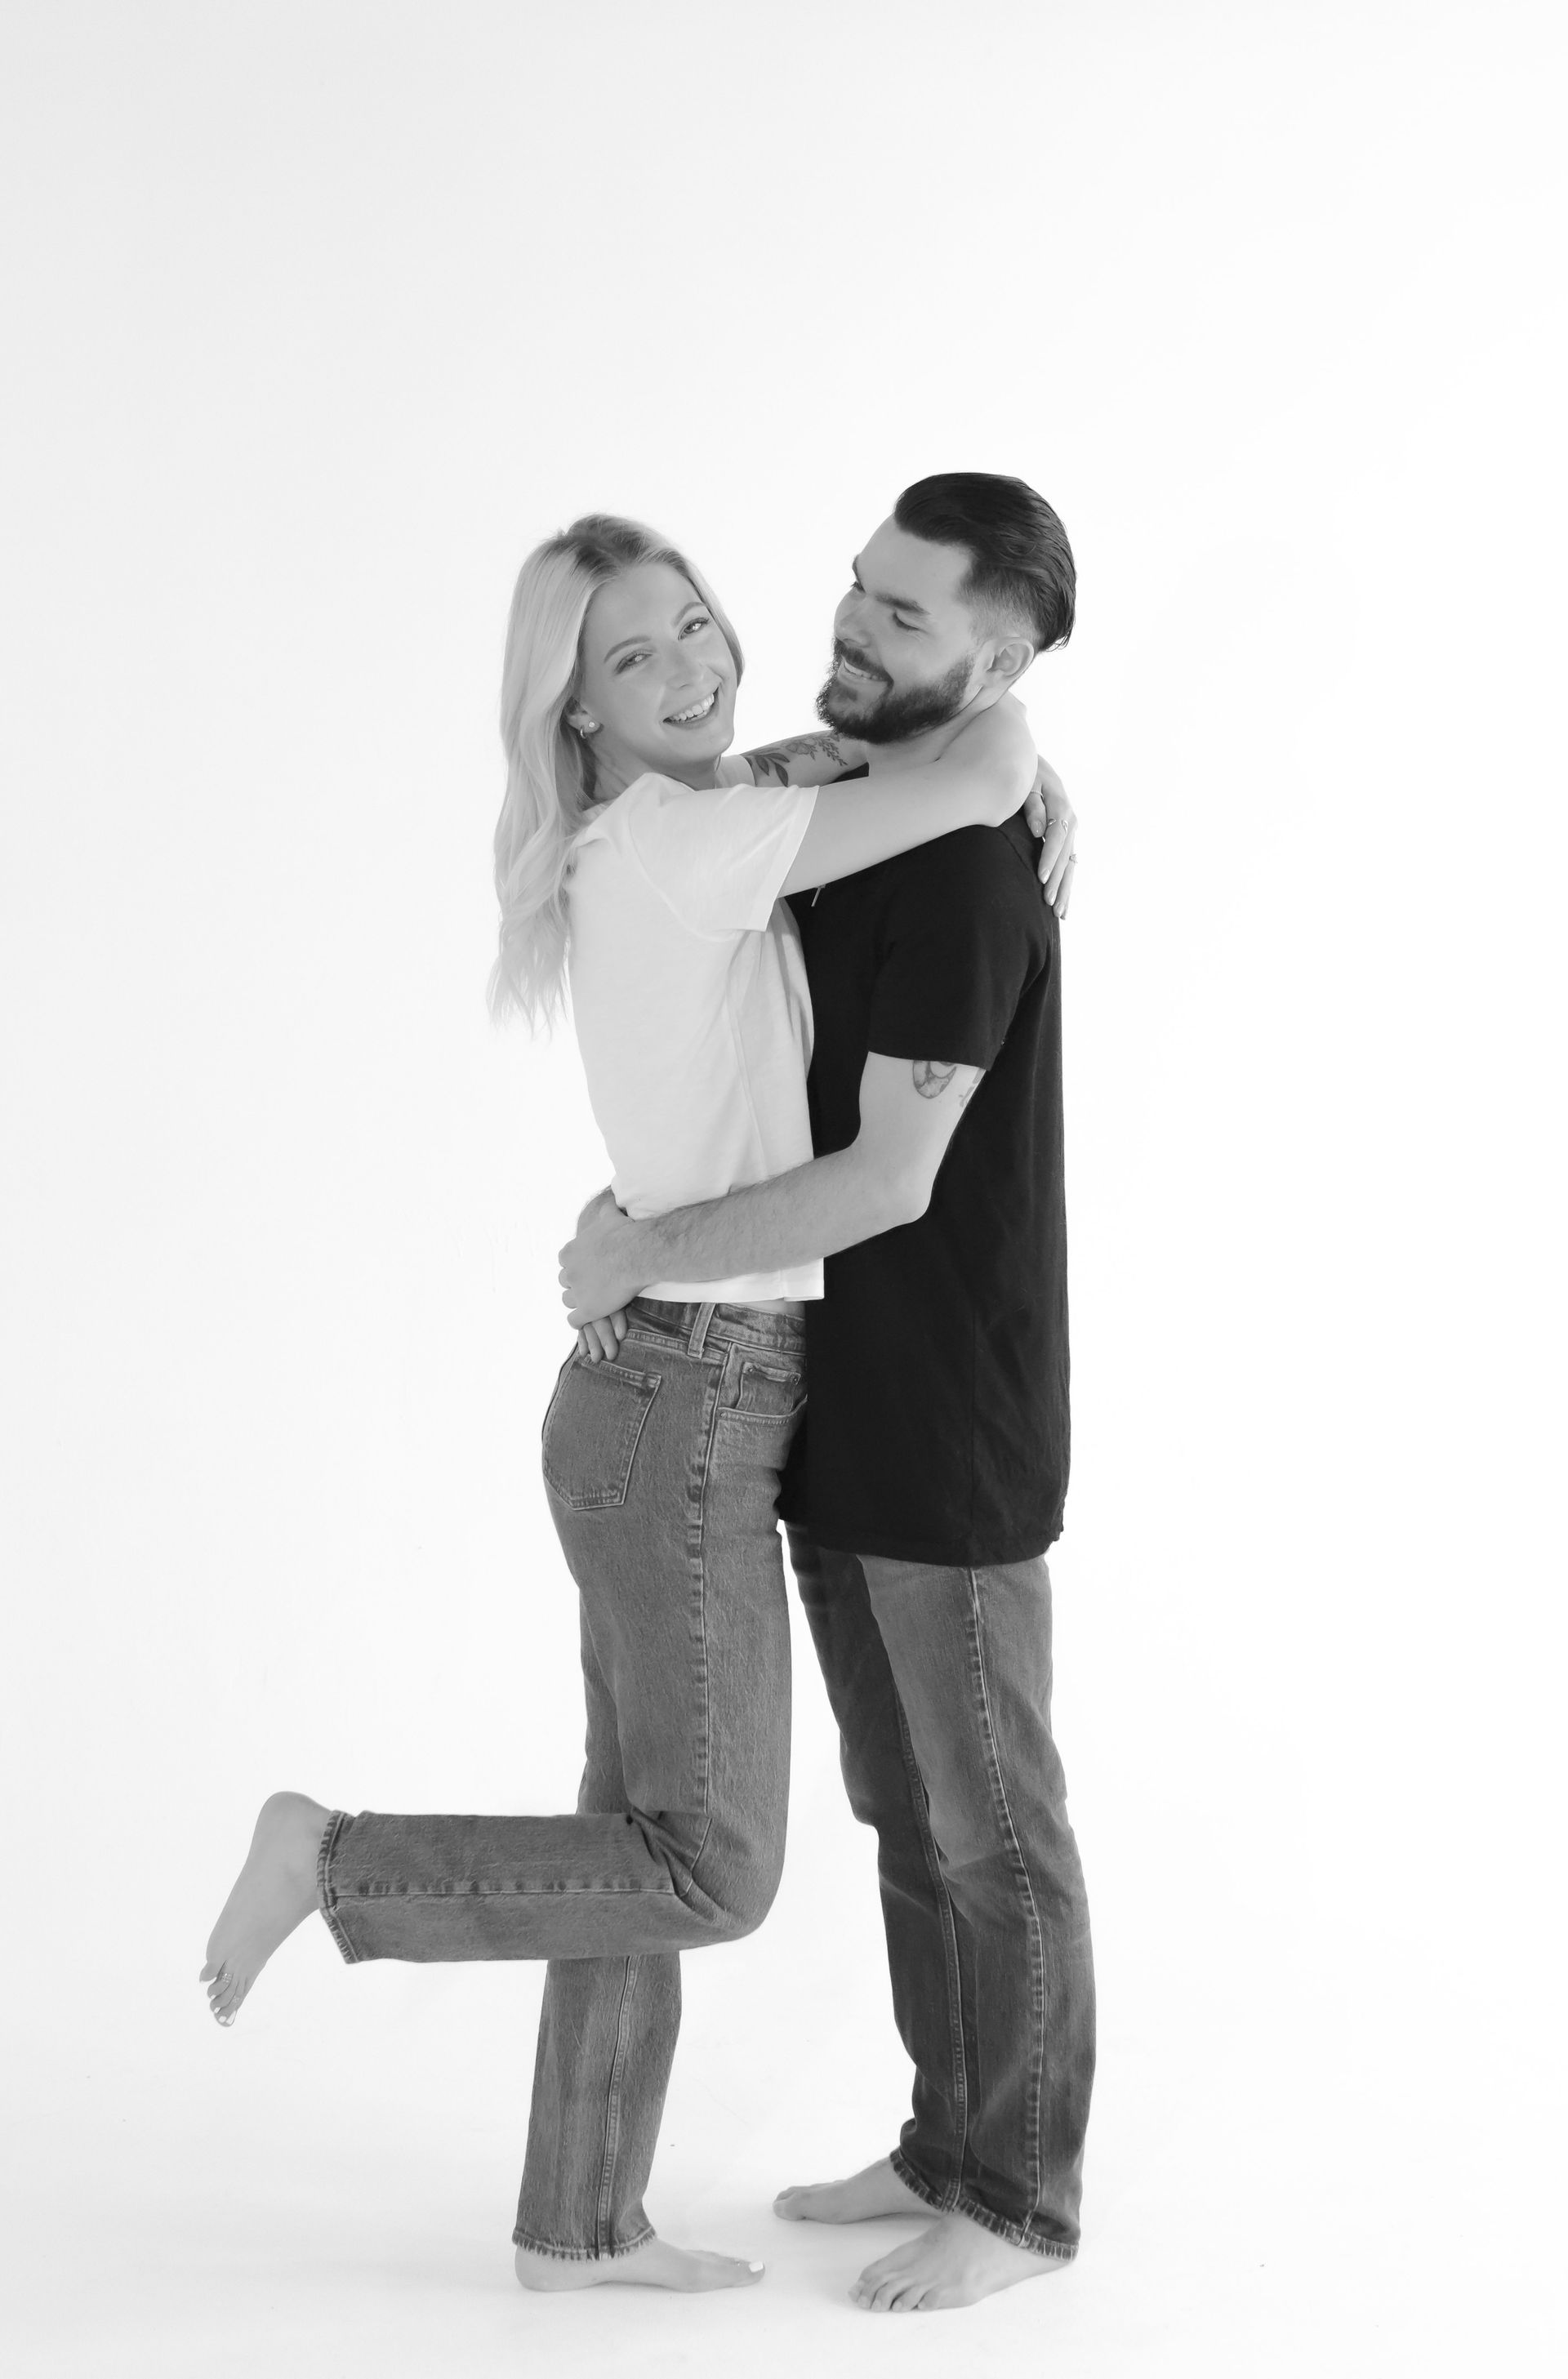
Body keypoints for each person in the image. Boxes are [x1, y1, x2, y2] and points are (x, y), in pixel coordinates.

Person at [199, 510, 1073, 2297]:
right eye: (633, 656)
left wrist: (1024, 763)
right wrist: (1015, 749)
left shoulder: (708, 824)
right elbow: (948, 756)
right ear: (575, 712)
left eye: (697, 624)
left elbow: (893, 808)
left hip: (725, 1386)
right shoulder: (712, 834)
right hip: (697, 1384)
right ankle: (342, 1865)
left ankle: (615, 2218)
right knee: (717, 1859)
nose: (708, 663)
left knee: (751, 1823)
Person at [559, 473, 1094, 2315]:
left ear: (998, 656)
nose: (854, 629)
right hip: (827, 1396)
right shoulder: (857, 804)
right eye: (858, 591)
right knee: (904, 1808)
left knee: (992, 1819)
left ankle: (1018, 2199)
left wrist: (645, 1246)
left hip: (949, 1410)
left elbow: (886, 1181)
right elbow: (777, 775)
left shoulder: (954, 863)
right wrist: (996, 742)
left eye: (908, 618)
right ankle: (949, 2133)